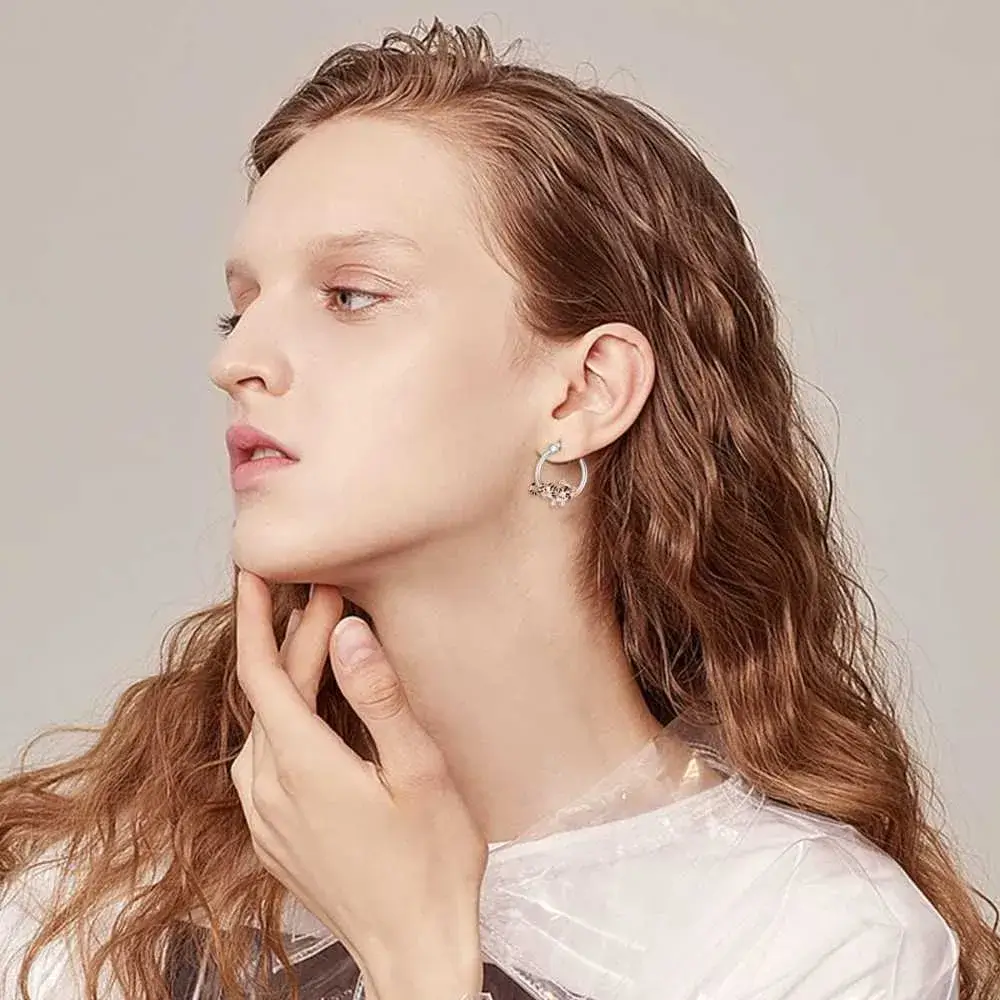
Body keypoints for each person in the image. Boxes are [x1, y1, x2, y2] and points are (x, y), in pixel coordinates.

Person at [1, 16, 997, 1000]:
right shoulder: (93, 897)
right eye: (241, 305)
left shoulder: (810, 941)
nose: (235, 361)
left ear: (580, 392)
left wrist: (419, 960)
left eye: (350, 295)